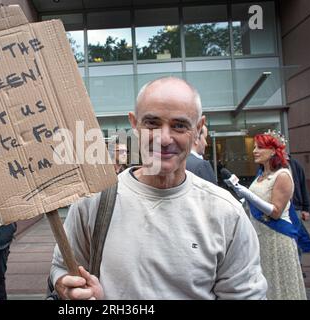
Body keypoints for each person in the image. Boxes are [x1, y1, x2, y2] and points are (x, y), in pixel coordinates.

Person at [50, 77, 267, 300]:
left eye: (179, 126)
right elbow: (62, 267)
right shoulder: (93, 201)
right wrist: (68, 287)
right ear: (134, 124)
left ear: (199, 128)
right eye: (152, 123)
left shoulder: (226, 213)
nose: (164, 139)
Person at [228, 131, 307, 300]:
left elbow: (276, 212)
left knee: (279, 285)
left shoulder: (283, 175)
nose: (254, 151)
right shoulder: (261, 175)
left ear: (272, 151)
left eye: (259, 147)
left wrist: (248, 195)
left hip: (277, 238)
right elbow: (254, 202)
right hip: (260, 237)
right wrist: (241, 198)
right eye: (255, 147)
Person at [287, 154, 310, 275]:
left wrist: (306, 208)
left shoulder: (295, 165)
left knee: (296, 237)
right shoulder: (266, 167)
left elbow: (303, 186)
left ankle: (297, 266)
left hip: (295, 207)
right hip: (277, 208)